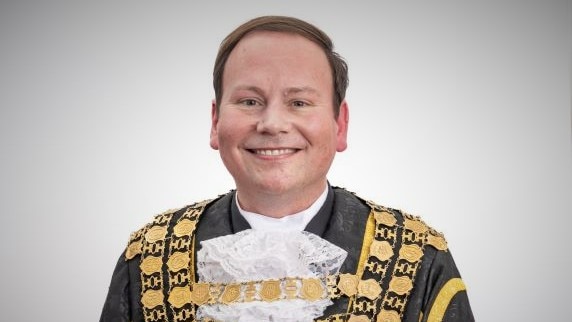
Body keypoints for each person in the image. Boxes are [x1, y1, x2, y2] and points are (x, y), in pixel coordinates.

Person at [100, 16, 474, 322]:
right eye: (249, 101)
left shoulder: (418, 257)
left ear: (339, 125)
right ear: (215, 123)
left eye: (298, 102)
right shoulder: (149, 258)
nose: (272, 123)